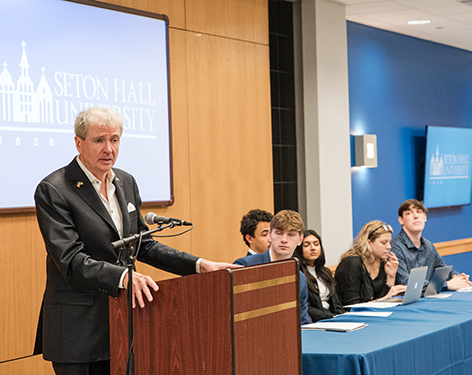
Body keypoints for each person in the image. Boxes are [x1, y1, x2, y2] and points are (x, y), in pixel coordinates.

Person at [33, 106, 238, 375]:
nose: (109, 148)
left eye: (114, 140)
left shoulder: (125, 182)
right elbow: (70, 259)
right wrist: (123, 277)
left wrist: (199, 265)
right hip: (78, 330)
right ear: (79, 143)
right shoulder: (54, 189)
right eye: (99, 140)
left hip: (125, 322)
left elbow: (143, 244)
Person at [233, 210, 312, 325]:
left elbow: (303, 322)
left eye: (291, 234)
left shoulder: (300, 278)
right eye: (279, 233)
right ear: (270, 236)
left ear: (300, 240)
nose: (284, 239)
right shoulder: (246, 266)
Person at [391, 199, 471, 290]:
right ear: (401, 220)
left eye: (419, 212)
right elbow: (406, 282)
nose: (416, 216)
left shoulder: (427, 245)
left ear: (425, 217)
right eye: (409, 213)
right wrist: (447, 285)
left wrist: (459, 278)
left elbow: (443, 271)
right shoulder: (395, 247)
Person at [335, 220, 406, 306]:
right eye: (384, 243)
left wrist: (391, 277)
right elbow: (351, 306)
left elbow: (383, 298)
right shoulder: (352, 264)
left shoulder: (382, 262)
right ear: (369, 243)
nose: (389, 247)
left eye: (389, 242)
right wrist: (386, 297)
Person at [293, 229, 345, 322]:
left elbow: (336, 302)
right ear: (299, 248)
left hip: (332, 318)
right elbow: (307, 308)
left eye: (316, 244)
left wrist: (342, 316)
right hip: (316, 321)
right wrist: (332, 317)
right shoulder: (298, 275)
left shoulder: (326, 272)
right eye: (306, 245)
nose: (313, 248)